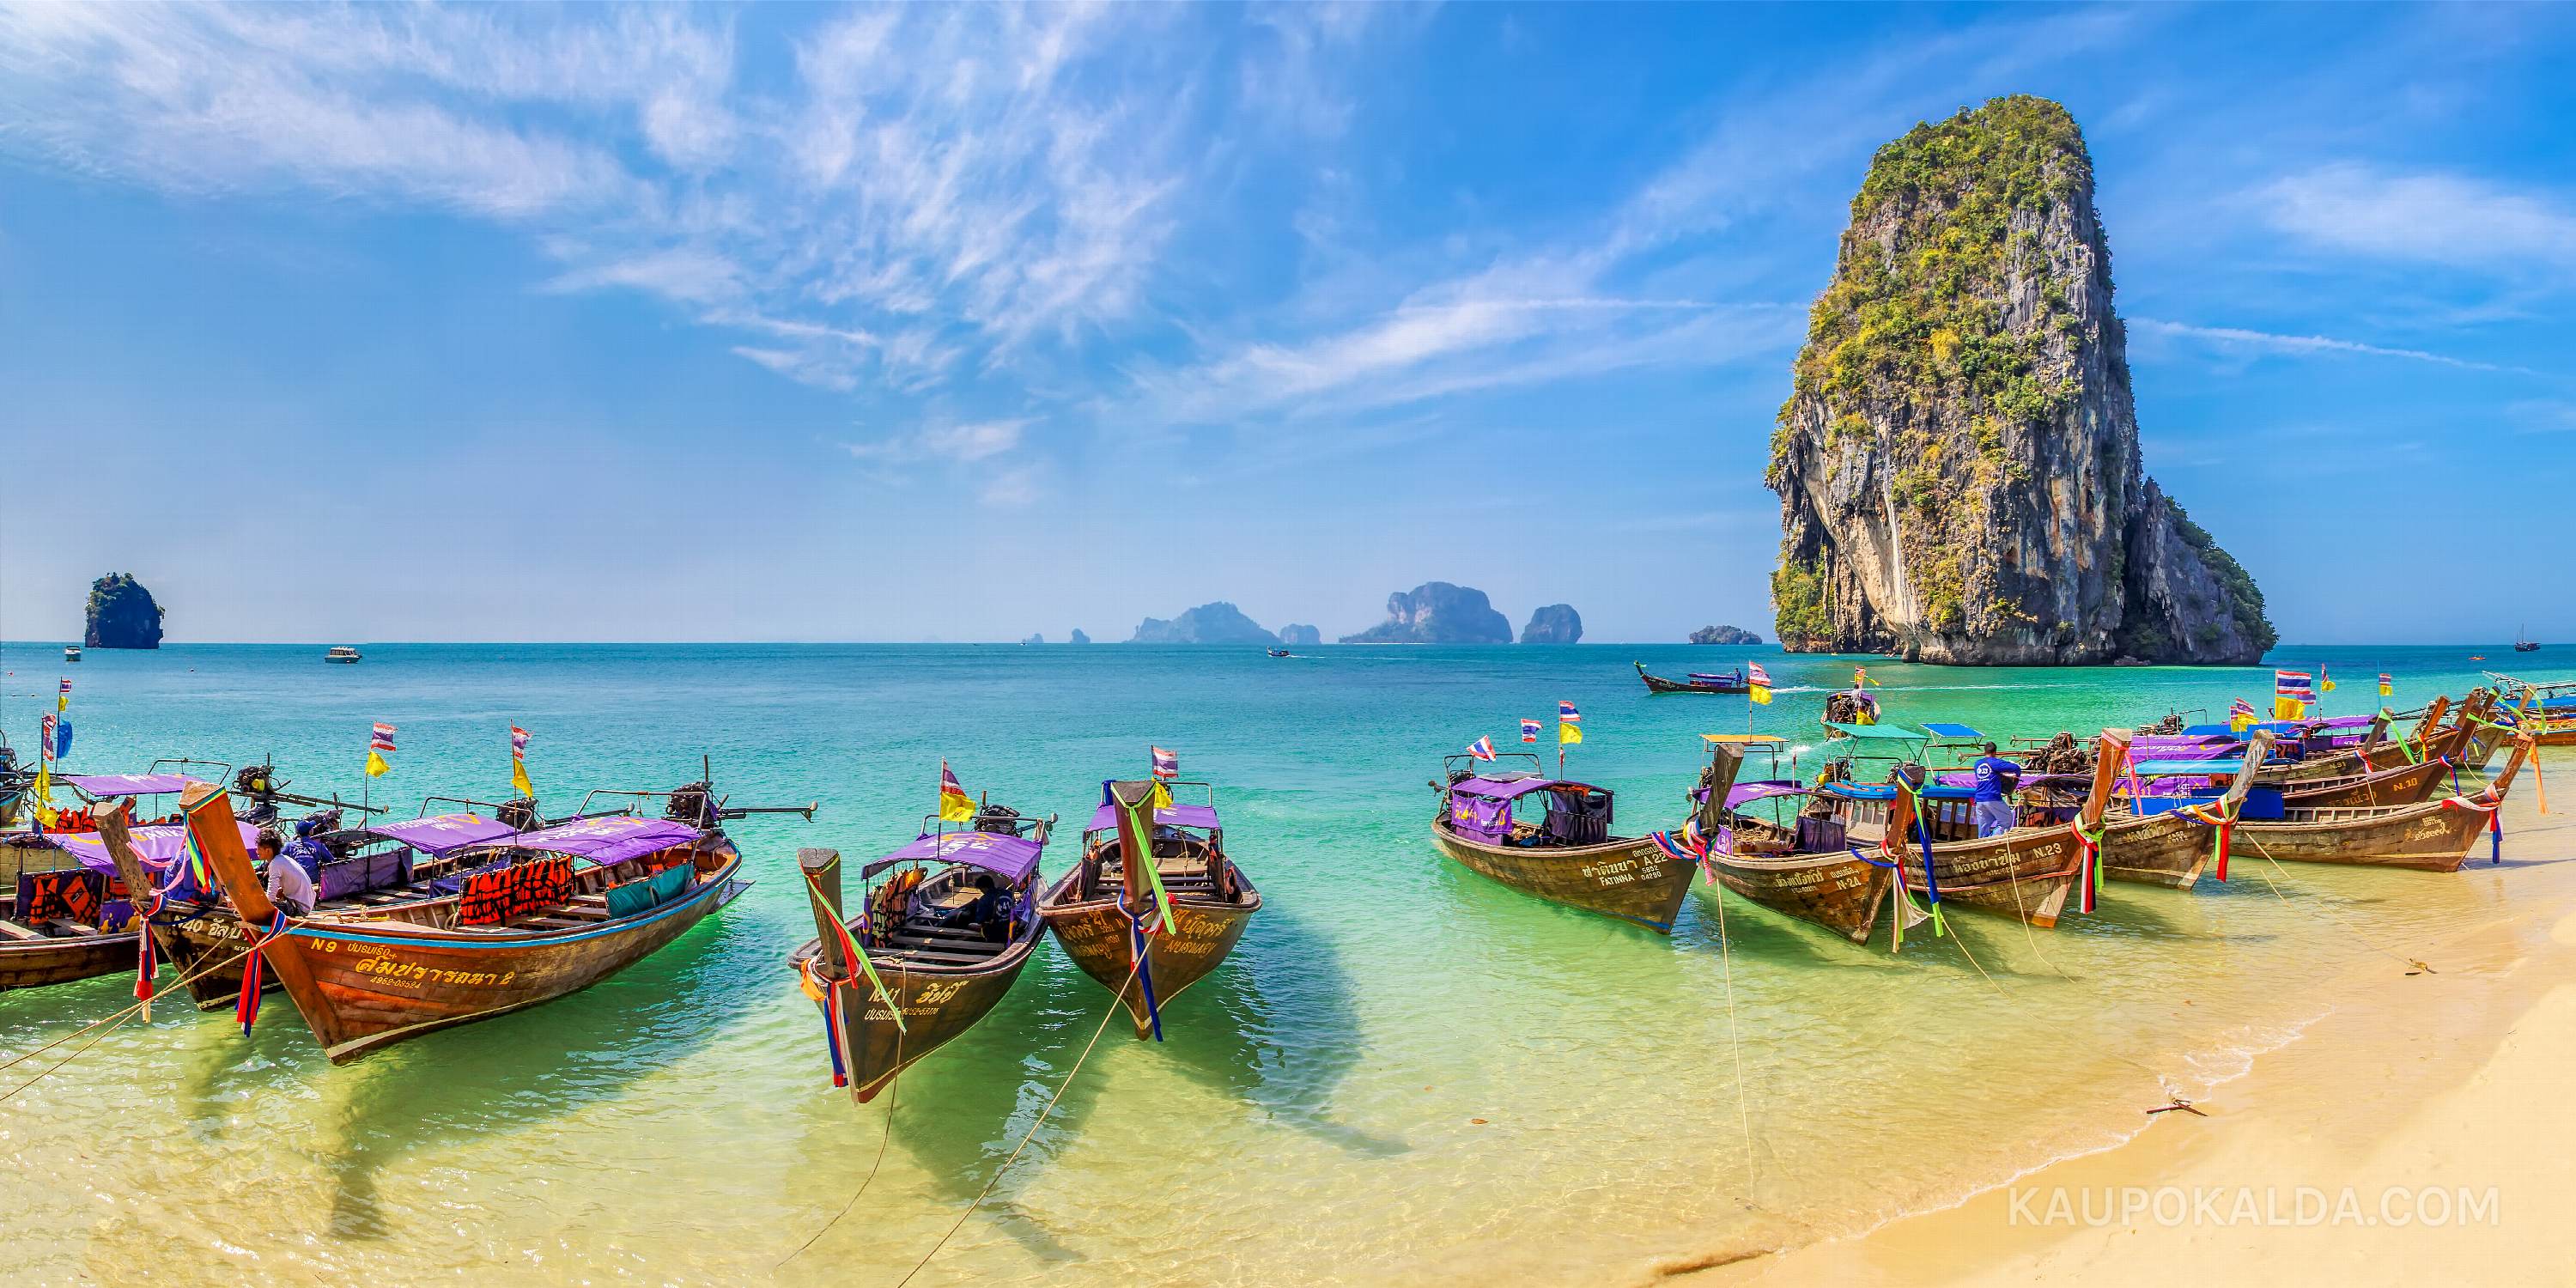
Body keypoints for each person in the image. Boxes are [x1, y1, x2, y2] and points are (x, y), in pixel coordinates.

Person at [1971, 742, 2023, 838]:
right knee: (2006, 819)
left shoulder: (1977, 764)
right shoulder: (1994, 762)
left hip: (1979, 800)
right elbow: (2016, 768)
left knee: (1984, 827)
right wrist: (2015, 776)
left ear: (1984, 751)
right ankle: (1994, 838)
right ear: (1995, 752)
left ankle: (1983, 845)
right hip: (1992, 798)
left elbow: (1991, 774)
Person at [258, 829, 315, 915]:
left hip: (298, 908)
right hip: (305, 904)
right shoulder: (284, 859)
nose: (257, 852)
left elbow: (270, 898)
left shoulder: (275, 864)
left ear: (268, 850)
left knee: (258, 905)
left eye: (259, 849)